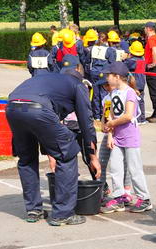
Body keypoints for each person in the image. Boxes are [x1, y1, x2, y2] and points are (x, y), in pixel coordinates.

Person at [6, 69, 100, 225]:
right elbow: (86, 123)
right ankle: (63, 214)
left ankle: (33, 210)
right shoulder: (78, 85)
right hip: (38, 109)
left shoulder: (48, 80)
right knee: (67, 154)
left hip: (12, 108)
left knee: (26, 159)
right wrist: (92, 155)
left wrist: (50, 151)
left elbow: (48, 128)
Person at [98, 61, 152, 213]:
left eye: (109, 75)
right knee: (115, 168)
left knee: (134, 169)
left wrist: (112, 123)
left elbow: (128, 115)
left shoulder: (130, 93)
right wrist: (109, 132)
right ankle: (119, 197)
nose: (107, 78)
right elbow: (108, 115)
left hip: (129, 136)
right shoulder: (112, 94)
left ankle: (144, 198)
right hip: (117, 137)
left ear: (117, 77)